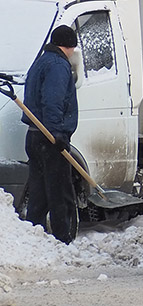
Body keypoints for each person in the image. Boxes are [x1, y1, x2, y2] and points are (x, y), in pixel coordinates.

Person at [22, 24, 80, 244]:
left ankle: (35, 238)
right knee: (60, 192)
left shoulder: (41, 61)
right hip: (49, 138)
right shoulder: (57, 65)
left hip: (34, 136)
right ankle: (62, 239)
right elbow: (52, 102)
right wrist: (57, 134)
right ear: (68, 46)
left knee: (39, 193)